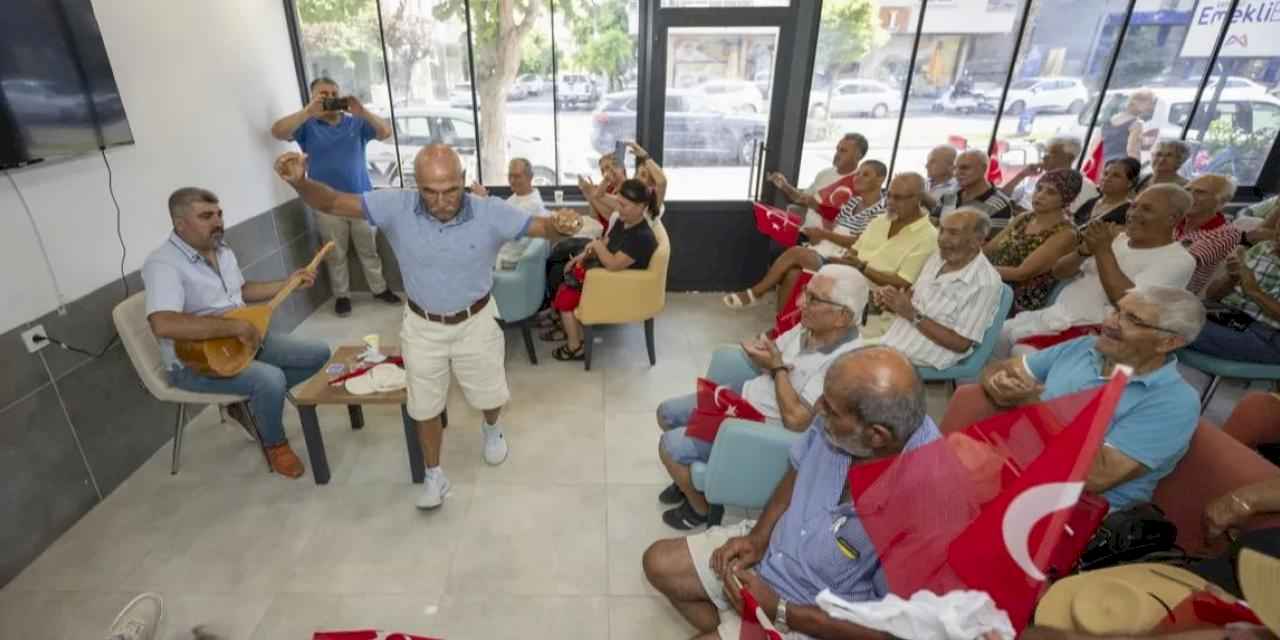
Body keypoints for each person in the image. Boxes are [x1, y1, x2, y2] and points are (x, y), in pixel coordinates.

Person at [274, 145, 579, 509]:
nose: (441, 201)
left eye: (450, 190)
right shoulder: (396, 206)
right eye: (429, 192)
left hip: (476, 321)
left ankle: (491, 426)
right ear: (415, 185)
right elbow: (334, 203)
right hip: (422, 326)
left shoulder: (489, 211)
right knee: (423, 407)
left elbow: (542, 227)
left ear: (463, 181)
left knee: (489, 395)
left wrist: (560, 226)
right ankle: (435, 475)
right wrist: (302, 183)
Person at [643, 346, 942, 640]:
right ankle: (738, 625)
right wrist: (757, 539)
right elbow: (797, 470)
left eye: (831, 410)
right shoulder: (838, 421)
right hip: (778, 553)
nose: (818, 409)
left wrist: (782, 611)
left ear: (877, 435)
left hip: (817, 616)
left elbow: (894, 631)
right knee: (659, 563)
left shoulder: (927, 507)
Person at [657, 265, 869, 530]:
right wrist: (764, 353)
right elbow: (772, 354)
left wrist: (776, 366)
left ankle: (699, 508)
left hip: (761, 426)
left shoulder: (845, 366)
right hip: (746, 398)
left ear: (843, 316)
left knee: (669, 446)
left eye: (814, 299)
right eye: (806, 291)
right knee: (666, 413)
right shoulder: (810, 328)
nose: (801, 301)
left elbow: (797, 421)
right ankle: (688, 480)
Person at [143, 188, 330, 478]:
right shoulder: (163, 264)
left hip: (240, 341)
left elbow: (241, 291)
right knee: (270, 378)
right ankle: (275, 444)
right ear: (180, 224)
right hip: (194, 362)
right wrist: (235, 326)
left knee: (318, 354)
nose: (217, 222)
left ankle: (248, 403)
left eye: (218, 214)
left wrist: (287, 283)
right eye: (206, 216)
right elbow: (163, 324)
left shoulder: (222, 250)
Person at [982, 286, 1205, 512]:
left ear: (1168, 343)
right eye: (1116, 310)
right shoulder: (1084, 347)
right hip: (1009, 464)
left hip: (1069, 508)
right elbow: (1003, 369)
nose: (1109, 323)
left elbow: (1094, 477)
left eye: (1133, 319)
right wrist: (1000, 383)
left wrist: (1034, 406)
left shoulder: (1174, 404)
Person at [999, 184, 1196, 353]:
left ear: (1172, 218)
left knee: (1022, 353)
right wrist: (1082, 252)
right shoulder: (1118, 239)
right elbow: (1059, 272)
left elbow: (1129, 304)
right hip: (1057, 316)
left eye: (1147, 209)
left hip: (1099, 333)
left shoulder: (1179, 260)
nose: (1133, 214)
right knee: (993, 335)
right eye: (1134, 206)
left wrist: (1102, 251)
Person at [270, 77, 399, 317]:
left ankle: (379, 289)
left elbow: (385, 132)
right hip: (325, 205)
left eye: (333, 92)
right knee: (334, 254)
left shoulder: (356, 124)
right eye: (323, 94)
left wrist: (363, 112)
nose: (329, 97)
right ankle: (342, 296)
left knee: (369, 250)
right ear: (313, 97)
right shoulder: (307, 126)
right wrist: (308, 111)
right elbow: (277, 131)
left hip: (361, 201)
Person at [721, 160, 886, 313]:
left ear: (880, 179)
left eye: (865, 174)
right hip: (827, 249)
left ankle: (757, 292)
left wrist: (823, 234)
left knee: (796, 252)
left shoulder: (881, 210)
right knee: (792, 274)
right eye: (858, 174)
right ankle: (782, 329)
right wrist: (821, 236)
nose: (857, 178)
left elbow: (859, 242)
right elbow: (837, 229)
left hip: (846, 260)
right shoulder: (852, 202)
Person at [874, 209, 1005, 370]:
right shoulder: (937, 258)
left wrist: (911, 313)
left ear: (977, 240)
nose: (942, 239)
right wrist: (892, 301)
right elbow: (912, 301)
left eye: (953, 233)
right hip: (891, 343)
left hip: (921, 358)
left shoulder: (985, 283)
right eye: (941, 230)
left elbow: (961, 343)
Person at [547, 178, 660, 361]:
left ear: (642, 207)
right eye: (618, 203)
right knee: (562, 273)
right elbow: (605, 242)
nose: (619, 209)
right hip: (605, 278)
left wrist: (596, 246)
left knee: (565, 297)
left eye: (624, 205)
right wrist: (580, 257)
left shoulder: (642, 237)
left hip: (618, 286)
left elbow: (613, 264)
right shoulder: (624, 222)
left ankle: (575, 347)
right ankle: (571, 332)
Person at [986, 169, 1081, 314]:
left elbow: (1021, 274)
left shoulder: (1065, 234)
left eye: (1051, 192)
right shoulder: (1025, 218)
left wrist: (976, 269)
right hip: (991, 282)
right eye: (1039, 188)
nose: (1040, 195)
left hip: (1016, 299)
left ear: (1066, 198)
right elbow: (989, 249)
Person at [1190, 242, 1280, 364]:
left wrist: (1254, 291)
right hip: (1226, 313)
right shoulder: (1265, 247)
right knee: (1163, 308)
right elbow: (1212, 296)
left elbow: (1251, 289)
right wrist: (1231, 279)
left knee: (1171, 326)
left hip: (1266, 335)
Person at [767, 133, 867, 228]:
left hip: (829, 240)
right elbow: (802, 199)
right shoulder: (825, 173)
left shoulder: (861, 183)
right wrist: (784, 185)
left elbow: (846, 221)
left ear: (858, 156)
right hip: (805, 232)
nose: (837, 154)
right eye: (837, 149)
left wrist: (816, 206)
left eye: (843, 151)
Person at [470, 157, 549, 270]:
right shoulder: (518, 196)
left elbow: (505, 221)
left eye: (517, 176)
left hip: (508, 259)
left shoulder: (532, 204)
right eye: (510, 176)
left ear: (530, 177)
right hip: (501, 251)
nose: (512, 180)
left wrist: (485, 199)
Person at [1002, 136, 1099, 215]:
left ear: (1069, 157)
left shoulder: (1084, 186)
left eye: (1053, 153)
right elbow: (1002, 196)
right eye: (1046, 152)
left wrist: (1023, 214)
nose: (1045, 156)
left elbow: (1065, 218)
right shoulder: (1038, 176)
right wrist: (1021, 175)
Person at [1179, 174, 1241, 294]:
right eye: (1187, 190)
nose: (1189, 196)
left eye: (1200, 192)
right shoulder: (1173, 219)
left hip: (1178, 296)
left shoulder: (1226, 233)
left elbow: (1182, 264)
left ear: (1221, 201)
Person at [938, 149, 1016, 232]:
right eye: (955, 168)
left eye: (964, 168)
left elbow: (994, 242)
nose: (957, 173)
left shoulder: (999, 205)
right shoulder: (949, 196)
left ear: (983, 169)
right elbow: (932, 224)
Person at [1073, 157, 1141, 228]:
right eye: (1105, 173)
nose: (1107, 178)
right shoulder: (1091, 202)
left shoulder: (1130, 212)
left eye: (1116, 176)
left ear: (1130, 183)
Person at [1100, 89, 1153, 162]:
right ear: (1136, 102)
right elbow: (1132, 151)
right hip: (1123, 166)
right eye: (1149, 103)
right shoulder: (1136, 124)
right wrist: (1135, 166)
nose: (1151, 106)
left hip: (1106, 164)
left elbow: (1097, 144)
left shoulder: (1111, 120)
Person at [921, 144, 959, 215]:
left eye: (932, 162)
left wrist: (921, 194)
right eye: (928, 161)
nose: (926, 165)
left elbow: (945, 217)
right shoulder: (923, 183)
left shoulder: (957, 189)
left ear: (951, 165)